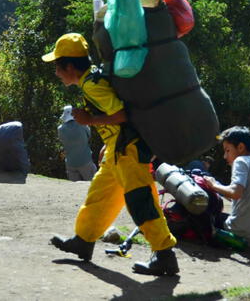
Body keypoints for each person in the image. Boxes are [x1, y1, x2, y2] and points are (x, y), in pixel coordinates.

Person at [42, 33, 179, 275]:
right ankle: (83, 241)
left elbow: (123, 114)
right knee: (100, 196)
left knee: (141, 202)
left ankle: (165, 254)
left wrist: (90, 120)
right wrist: (108, 141)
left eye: (58, 67)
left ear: (70, 66)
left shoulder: (93, 85)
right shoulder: (91, 79)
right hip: (117, 150)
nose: (56, 73)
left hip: (129, 151)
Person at [202, 126, 250, 248]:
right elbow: (244, 197)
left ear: (240, 147)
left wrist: (213, 185)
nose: (225, 156)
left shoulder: (241, 161)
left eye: (227, 150)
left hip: (240, 232)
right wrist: (218, 186)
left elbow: (235, 193)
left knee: (203, 214)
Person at [57, 105, 96, 181]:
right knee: (92, 185)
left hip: (70, 163)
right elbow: (89, 135)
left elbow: (62, 141)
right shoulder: (83, 124)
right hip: (85, 161)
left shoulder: (60, 129)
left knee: (75, 187)